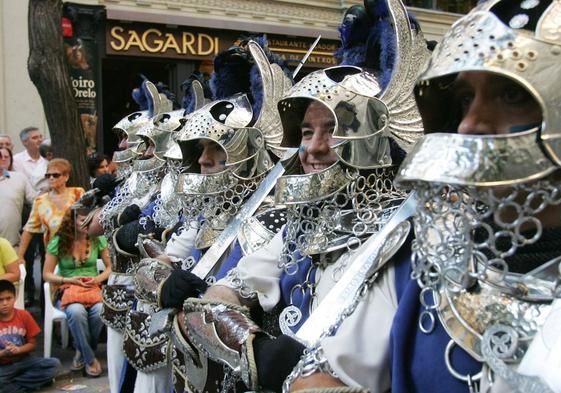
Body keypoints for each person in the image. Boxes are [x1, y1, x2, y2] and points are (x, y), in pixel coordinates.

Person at [43, 208, 111, 377]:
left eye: (89, 220)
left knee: (99, 311)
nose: (86, 224)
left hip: (91, 288)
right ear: (72, 221)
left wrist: (97, 279)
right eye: (81, 220)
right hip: (67, 288)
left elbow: (111, 267)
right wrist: (68, 280)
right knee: (76, 311)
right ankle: (90, 358)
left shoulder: (97, 238)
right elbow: (47, 274)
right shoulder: (59, 241)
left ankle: (81, 352)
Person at [17, 159, 84, 307]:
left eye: (56, 175)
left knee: (78, 294)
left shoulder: (78, 193)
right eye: (48, 175)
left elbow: (87, 220)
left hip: (78, 252)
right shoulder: (40, 201)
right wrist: (20, 255)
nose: (51, 178)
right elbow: (29, 229)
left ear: (66, 177)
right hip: (54, 254)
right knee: (51, 296)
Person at [0, 279, 60, 392]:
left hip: (24, 360)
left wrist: (18, 350)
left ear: (15, 297)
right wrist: (4, 353)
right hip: (3, 366)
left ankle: (13, 386)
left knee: (54, 365)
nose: (5, 303)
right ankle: (25, 385)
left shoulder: (24, 315)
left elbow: (32, 345)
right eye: (0, 300)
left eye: (8, 298)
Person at [0, 147, 36, 246]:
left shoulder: (19, 178)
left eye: (6, 157)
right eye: (0, 156)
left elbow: (35, 200)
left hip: (12, 245)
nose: (3, 159)